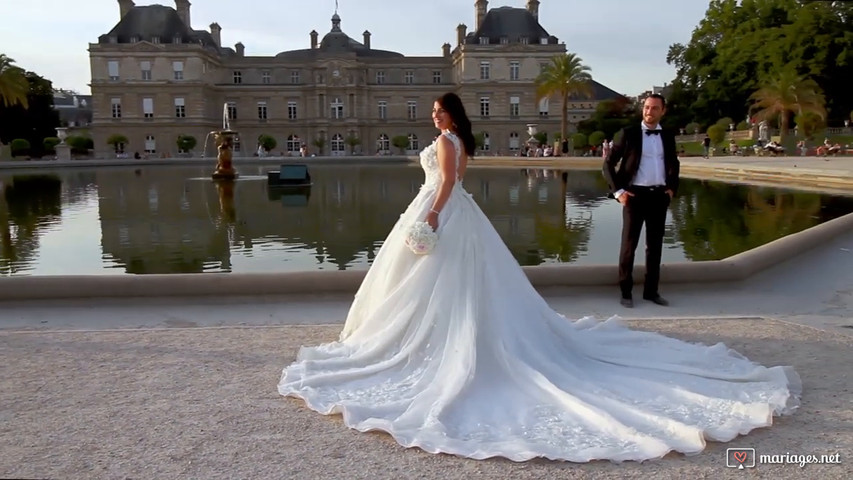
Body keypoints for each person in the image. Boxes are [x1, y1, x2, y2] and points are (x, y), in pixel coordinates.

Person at [279, 92, 800, 463]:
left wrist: (431, 217)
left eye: (438, 109)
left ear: (448, 115)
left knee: (435, 287)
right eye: (436, 110)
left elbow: (442, 188)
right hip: (465, 215)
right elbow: (458, 181)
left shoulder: (444, 140)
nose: (434, 114)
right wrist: (441, 206)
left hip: (442, 214)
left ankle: (418, 342)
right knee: (457, 287)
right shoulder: (460, 141)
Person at [603, 94, 679, 309]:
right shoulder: (628, 134)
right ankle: (626, 292)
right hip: (634, 196)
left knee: (654, 247)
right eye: (646, 107)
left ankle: (651, 292)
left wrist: (672, 189)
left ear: (663, 111)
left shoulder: (668, 135)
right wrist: (618, 192)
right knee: (629, 246)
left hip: (659, 197)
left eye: (655, 108)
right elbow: (608, 165)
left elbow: (674, 163)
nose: (649, 112)